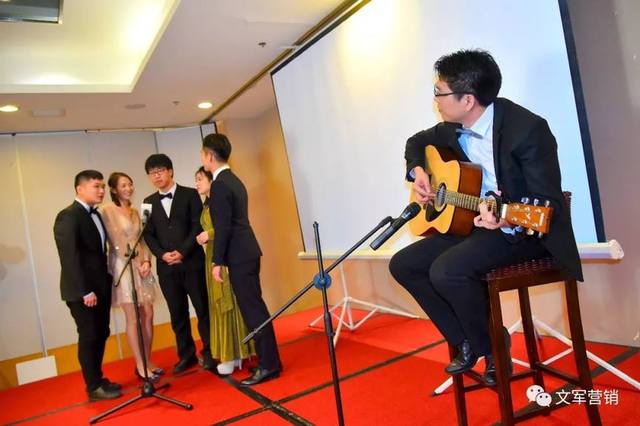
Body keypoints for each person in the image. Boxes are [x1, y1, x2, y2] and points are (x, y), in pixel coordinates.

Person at [389, 49, 582, 385]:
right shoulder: (452, 128)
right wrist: (417, 171)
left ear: (467, 100)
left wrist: (505, 219)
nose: (435, 100)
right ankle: (467, 339)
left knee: (447, 271)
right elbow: (416, 142)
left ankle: (492, 347)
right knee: (403, 264)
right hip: (475, 224)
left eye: (439, 92)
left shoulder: (528, 130)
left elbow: (547, 206)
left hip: (523, 233)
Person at [200, 133, 282, 386]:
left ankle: (268, 365)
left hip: (239, 255)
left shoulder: (220, 185)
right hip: (248, 252)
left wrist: (217, 262)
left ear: (210, 156)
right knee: (255, 307)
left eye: (203, 154)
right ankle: (270, 361)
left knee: (253, 310)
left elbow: (223, 227)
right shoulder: (234, 180)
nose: (202, 159)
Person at [53, 170, 122, 401]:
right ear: (79, 189)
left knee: (101, 332)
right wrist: (85, 291)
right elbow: (69, 257)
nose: (102, 191)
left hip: (99, 286)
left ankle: (98, 379)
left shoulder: (96, 214)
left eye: (102, 186)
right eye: (96, 186)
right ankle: (93, 387)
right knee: (90, 335)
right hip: (82, 291)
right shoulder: (68, 216)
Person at [142, 154, 213, 373]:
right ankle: (186, 355)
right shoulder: (147, 203)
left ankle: (210, 352)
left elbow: (197, 225)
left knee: (203, 308)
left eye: (160, 170)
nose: (157, 176)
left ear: (170, 171)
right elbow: (147, 234)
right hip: (166, 268)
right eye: (152, 173)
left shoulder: (191, 194)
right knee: (177, 314)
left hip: (192, 263)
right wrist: (162, 255)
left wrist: (182, 251)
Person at [100, 172, 162, 382]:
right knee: (133, 317)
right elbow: (117, 241)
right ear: (114, 189)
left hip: (141, 266)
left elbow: (143, 240)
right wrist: (135, 262)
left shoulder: (137, 211)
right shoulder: (107, 210)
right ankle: (140, 364)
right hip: (123, 266)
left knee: (148, 313)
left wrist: (146, 261)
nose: (128, 188)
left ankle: (148, 360)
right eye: (123, 185)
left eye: (130, 184)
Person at [195, 166, 256, 375]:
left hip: (222, 256)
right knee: (219, 304)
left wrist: (209, 235)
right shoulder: (207, 204)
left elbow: (226, 226)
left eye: (200, 179)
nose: (197, 183)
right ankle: (231, 353)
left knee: (228, 303)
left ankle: (234, 353)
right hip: (212, 257)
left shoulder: (218, 201)